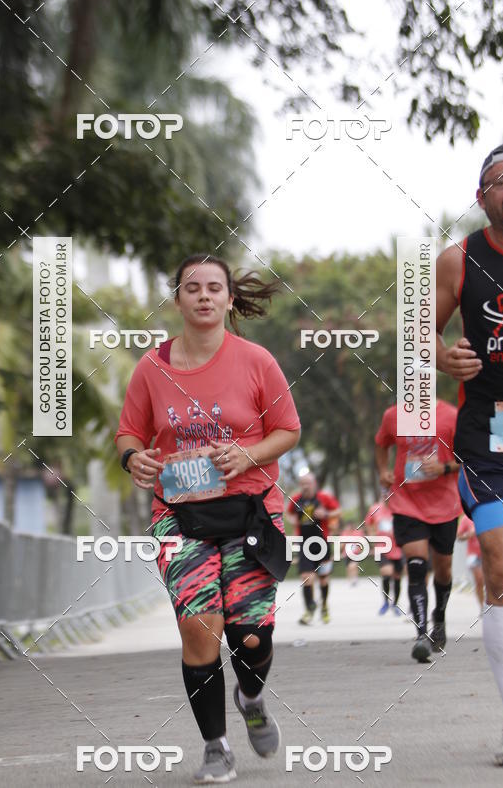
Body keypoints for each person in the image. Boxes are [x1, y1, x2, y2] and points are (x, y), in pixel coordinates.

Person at [115, 254, 301, 784]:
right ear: (177, 299)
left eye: (214, 287)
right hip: (179, 514)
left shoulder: (257, 361)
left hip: (250, 509)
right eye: (192, 287)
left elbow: (288, 430)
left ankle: (251, 694)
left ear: (228, 299)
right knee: (200, 630)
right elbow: (129, 434)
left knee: (250, 637)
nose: (203, 296)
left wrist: (247, 456)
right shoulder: (152, 368)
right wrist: (136, 458)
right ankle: (215, 745)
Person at [436, 143, 503, 765]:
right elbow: (412, 334)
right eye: (501, 183)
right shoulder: (458, 259)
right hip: (492, 442)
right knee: (502, 564)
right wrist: (440, 354)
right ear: (482, 199)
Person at [375, 399, 461, 662]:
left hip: (444, 503)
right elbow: (381, 443)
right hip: (406, 502)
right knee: (416, 565)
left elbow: (469, 457)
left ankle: (440, 617)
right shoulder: (393, 415)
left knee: (443, 568)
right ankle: (421, 634)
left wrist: (443, 467)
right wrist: (383, 471)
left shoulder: (451, 415)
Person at [286, 470, 340, 624]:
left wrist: (326, 514)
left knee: (323, 579)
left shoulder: (323, 498)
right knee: (306, 578)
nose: (305, 486)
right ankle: (309, 610)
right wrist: (292, 520)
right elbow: (289, 513)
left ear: (314, 484)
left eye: (307, 483)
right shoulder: (296, 499)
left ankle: (324, 606)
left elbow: (338, 510)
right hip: (304, 544)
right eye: (302, 484)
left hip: (322, 543)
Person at [365, 491, 404, 616]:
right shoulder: (375, 508)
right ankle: (386, 602)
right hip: (382, 547)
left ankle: (395, 604)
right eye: (386, 495)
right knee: (386, 573)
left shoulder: (400, 508)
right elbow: (368, 523)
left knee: (397, 577)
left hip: (398, 547)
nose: (388, 498)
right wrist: (372, 536)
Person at [457, 514, 484, 611]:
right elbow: (459, 536)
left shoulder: (488, 514)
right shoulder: (466, 518)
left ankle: (493, 607)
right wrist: (469, 534)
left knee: (492, 582)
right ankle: (482, 608)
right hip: (474, 555)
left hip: (489, 553)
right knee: (479, 580)